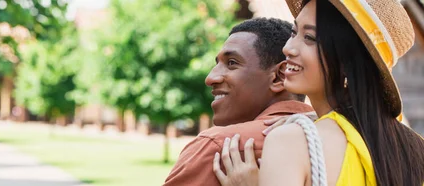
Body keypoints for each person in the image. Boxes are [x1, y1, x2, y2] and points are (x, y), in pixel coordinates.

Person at [213, 0, 424, 185]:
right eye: (295, 32)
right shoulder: (412, 148)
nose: (288, 48)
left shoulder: (291, 141)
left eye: (310, 38)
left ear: (346, 62)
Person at [163, 18, 314, 186]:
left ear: (280, 76)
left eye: (232, 63)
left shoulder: (221, 148)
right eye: (217, 64)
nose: (210, 78)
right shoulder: (335, 138)